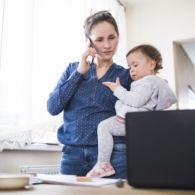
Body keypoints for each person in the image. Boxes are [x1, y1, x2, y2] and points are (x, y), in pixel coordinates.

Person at [47, 10, 132, 179]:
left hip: (112, 155)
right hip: (72, 155)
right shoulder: (73, 69)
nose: (107, 45)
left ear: (118, 37)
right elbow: (53, 107)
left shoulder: (126, 75)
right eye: (100, 40)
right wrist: (79, 72)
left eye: (111, 37)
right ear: (89, 42)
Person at [86, 44, 177, 178]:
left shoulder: (148, 82)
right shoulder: (151, 82)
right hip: (138, 123)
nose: (132, 70)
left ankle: (103, 164)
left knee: (104, 127)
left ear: (152, 64)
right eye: (129, 67)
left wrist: (117, 89)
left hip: (133, 122)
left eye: (135, 65)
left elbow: (136, 101)